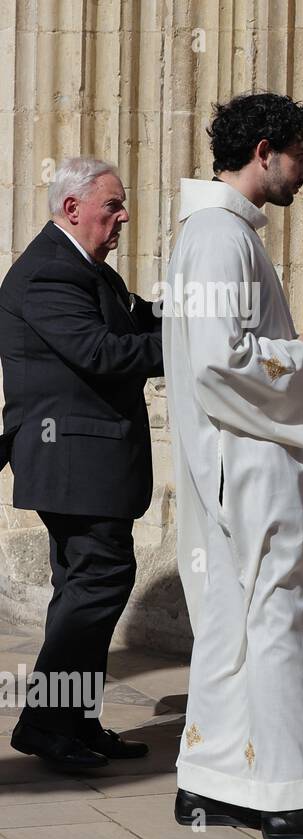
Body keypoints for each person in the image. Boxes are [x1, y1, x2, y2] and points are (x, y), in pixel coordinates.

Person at [164, 93, 303, 839]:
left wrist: (294, 353)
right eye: (300, 154)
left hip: (243, 459)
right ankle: (294, 799)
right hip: (254, 466)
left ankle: (212, 783)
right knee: (284, 620)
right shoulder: (221, 238)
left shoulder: (217, 233)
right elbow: (219, 364)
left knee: (235, 627)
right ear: (265, 152)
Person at [1, 157, 161, 770]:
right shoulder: (50, 274)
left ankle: (73, 721)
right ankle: (46, 725)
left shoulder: (86, 270)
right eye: (112, 206)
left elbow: (137, 319)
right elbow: (102, 351)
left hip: (80, 463)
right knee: (97, 583)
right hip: (71, 461)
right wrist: (194, 347)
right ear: (73, 209)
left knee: (80, 589)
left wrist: (204, 319)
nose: (122, 218)